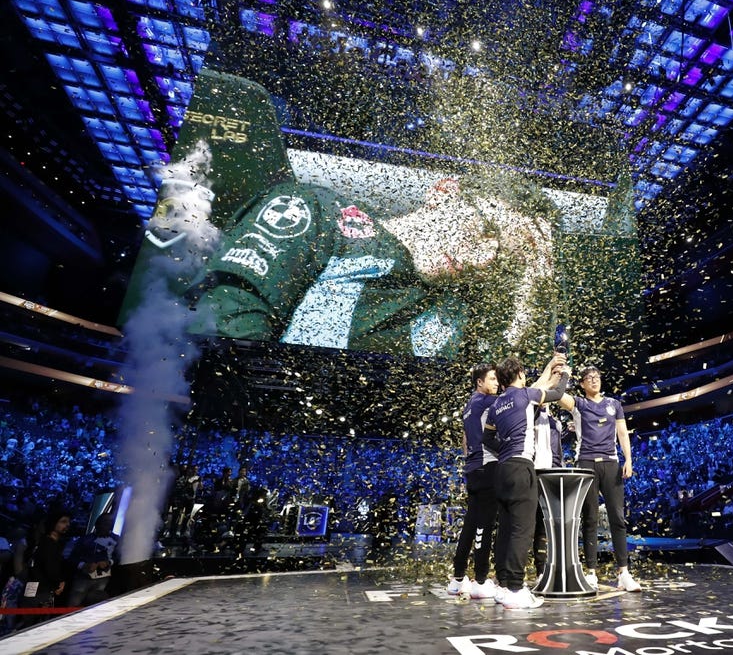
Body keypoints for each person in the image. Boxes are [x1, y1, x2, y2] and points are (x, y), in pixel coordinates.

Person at [187, 174, 557, 362]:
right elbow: (228, 320)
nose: (484, 259)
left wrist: (533, 287)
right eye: (487, 230)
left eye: (504, 259)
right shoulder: (321, 214)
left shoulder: (459, 315)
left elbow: (504, 389)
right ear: (444, 192)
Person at [483, 353, 569, 609]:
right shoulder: (524, 396)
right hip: (522, 468)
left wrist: (506, 448)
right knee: (523, 530)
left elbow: (487, 439)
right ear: (520, 374)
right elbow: (556, 393)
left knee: (507, 530)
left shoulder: (496, 405)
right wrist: (564, 375)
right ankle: (516, 589)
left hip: (502, 470)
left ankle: (503, 585)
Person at [557, 365, 641, 592]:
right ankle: (591, 572)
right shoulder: (579, 404)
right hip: (586, 463)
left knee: (617, 517)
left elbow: (622, 433)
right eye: (589, 378)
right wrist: (563, 373)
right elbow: (556, 393)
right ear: (582, 384)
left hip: (611, 464)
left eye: (597, 377)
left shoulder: (614, 404)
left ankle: (624, 572)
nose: (594, 380)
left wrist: (629, 459)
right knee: (590, 518)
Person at [446, 363, 500, 600]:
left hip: (472, 468)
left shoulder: (469, 405)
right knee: (484, 525)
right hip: (486, 467)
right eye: (492, 379)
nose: (497, 384)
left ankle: (458, 578)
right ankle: (480, 580)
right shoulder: (487, 402)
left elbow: (465, 441)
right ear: (480, 382)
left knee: (471, 524)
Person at [18, 510, 72, 629]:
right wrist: (59, 583)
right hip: (41, 592)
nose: (67, 525)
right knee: (34, 627)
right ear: (53, 523)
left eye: (68, 522)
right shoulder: (48, 544)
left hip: (35, 590)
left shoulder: (45, 542)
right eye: (63, 522)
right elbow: (50, 568)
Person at [531, 402, 564, 580]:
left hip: (556, 474)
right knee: (535, 524)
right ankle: (539, 569)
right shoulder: (532, 415)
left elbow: (555, 448)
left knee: (550, 525)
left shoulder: (554, 420)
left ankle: (551, 568)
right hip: (537, 473)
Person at [66, 513, 120, 607]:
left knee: (95, 607)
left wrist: (109, 562)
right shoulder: (85, 540)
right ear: (97, 524)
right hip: (83, 578)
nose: (107, 525)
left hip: (103, 580)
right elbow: (72, 557)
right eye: (104, 522)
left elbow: (119, 556)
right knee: (73, 606)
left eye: (110, 522)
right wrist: (83, 565)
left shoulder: (116, 540)